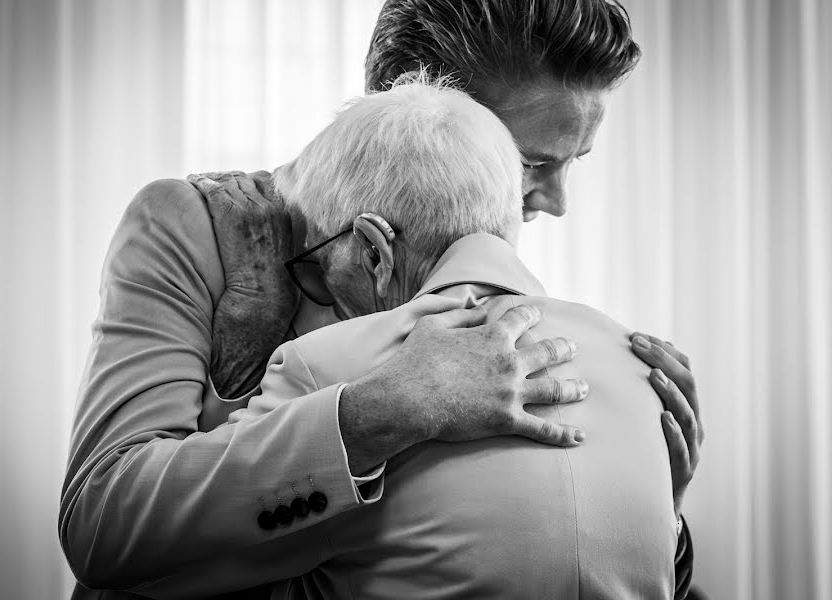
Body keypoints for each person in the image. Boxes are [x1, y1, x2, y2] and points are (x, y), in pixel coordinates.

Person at [60, 1, 700, 598]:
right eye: (527, 164)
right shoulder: (189, 225)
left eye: (574, 162)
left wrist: (644, 492)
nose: (555, 204)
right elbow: (103, 515)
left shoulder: (510, 298)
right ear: (413, 108)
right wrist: (380, 412)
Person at [230, 73, 681, 599]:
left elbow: (167, 555)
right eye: (536, 164)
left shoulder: (323, 369)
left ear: (374, 252)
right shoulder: (640, 367)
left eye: (319, 265)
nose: (319, 289)